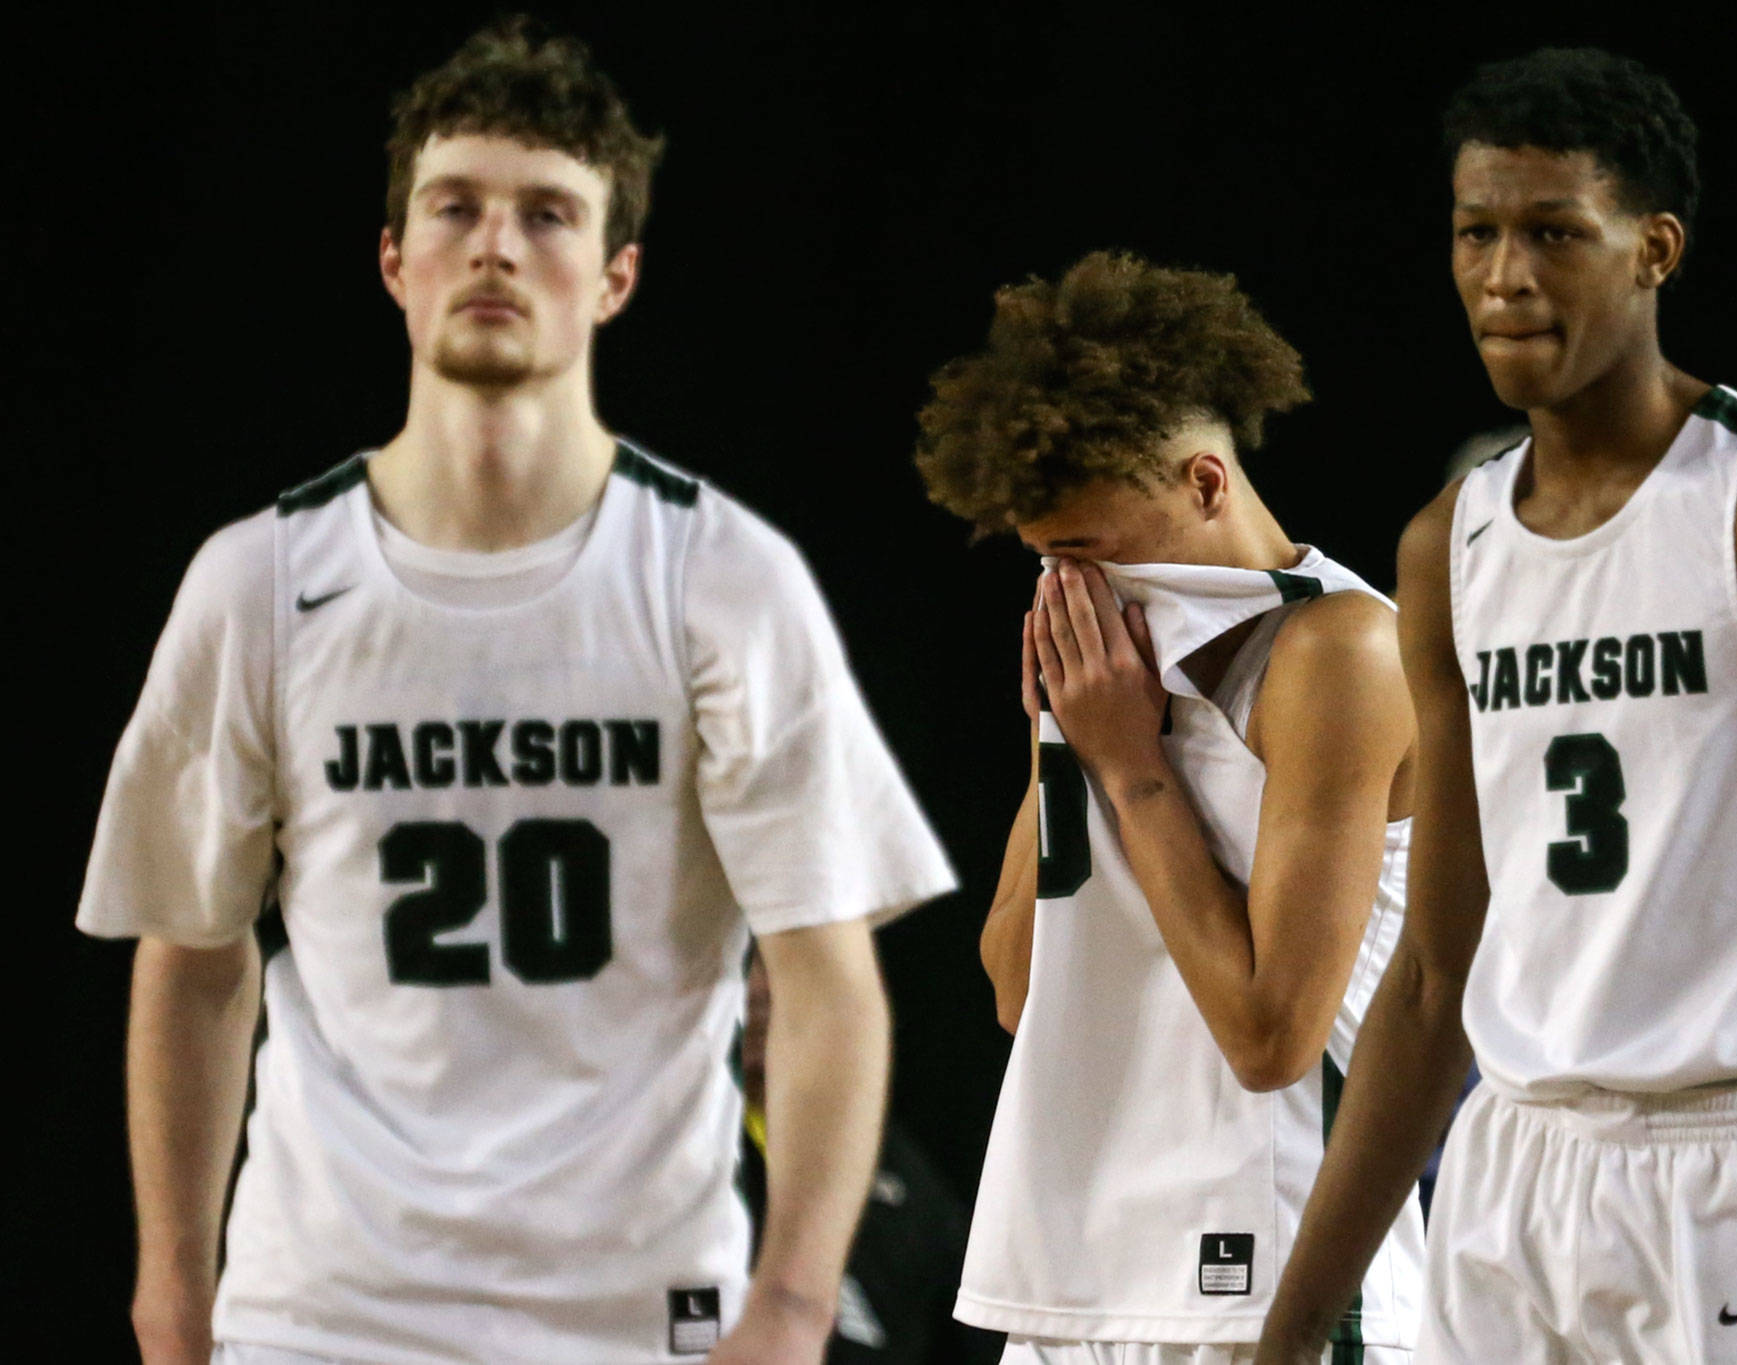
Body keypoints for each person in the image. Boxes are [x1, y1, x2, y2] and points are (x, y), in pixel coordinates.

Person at [78, 20, 953, 1365]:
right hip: (324, 1310)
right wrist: (170, 1293)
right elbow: (195, 961)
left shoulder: (720, 575)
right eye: (456, 206)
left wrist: (787, 1306)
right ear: (395, 259)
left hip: (638, 1305)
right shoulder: (257, 582)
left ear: (616, 275)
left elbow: (827, 976)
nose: (496, 244)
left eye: (547, 213)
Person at [1256, 47, 1737, 1365]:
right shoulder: (1448, 547)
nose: (1503, 274)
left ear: (1654, 248)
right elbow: (1430, 976)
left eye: (1551, 232)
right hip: (1514, 1165)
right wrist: (1293, 1328)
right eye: (1475, 232)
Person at [916, 250, 1423, 1365]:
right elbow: (1017, 992)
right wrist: (1058, 741)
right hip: (1085, 1280)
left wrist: (1133, 767)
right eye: (1041, 560)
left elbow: (1270, 1036)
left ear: (1203, 482)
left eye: (1084, 551)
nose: (1065, 589)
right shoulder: (1113, 666)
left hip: (1277, 1279)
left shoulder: (1339, 650)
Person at [737, 955, 1003, 1365]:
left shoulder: (888, 1160)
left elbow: (962, 1304)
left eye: (779, 971)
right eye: (752, 969)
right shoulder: (695, 1151)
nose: (761, 991)